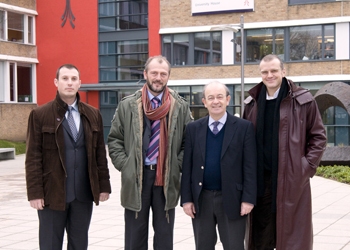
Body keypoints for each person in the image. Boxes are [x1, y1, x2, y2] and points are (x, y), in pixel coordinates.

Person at [107, 55, 193, 250]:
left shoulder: (180, 106)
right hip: (137, 177)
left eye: (163, 74)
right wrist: (127, 166)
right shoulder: (127, 105)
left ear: (168, 77)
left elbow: (189, 143)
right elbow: (114, 140)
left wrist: (176, 166)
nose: (158, 78)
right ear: (145, 74)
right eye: (154, 73)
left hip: (166, 178)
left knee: (164, 238)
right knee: (134, 237)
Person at [243, 54, 327, 250]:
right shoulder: (252, 103)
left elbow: (318, 136)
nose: (269, 75)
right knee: (261, 235)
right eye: (265, 72)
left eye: (274, 70)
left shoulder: (303, 100)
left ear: (283, 71)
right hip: (260, 181)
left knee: (290, 236)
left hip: (291, 179)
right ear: (260, 74)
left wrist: (305, 168)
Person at [25, 64, 111, 250]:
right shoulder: (40, 115)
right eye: (65, 78)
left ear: (80, 83)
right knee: (50, 244)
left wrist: (103, 186)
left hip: (83, 195)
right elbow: (32, 157)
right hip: (52, 195)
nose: (69, 83)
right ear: (56, 82)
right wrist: (35, 193)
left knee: (79, 244)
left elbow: (99, 155)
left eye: (74, 79)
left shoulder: (93, 114)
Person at [181, 81, 257, 250]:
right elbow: (188, 167)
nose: (216, 101)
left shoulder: (244, 128)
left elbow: (250, 167)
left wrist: (248, 199)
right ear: (204, 102)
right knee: (203, 246)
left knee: (234, 246)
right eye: (211, 97)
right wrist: (186, 199)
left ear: (228, 100)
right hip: (202, 200)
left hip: (233, 199)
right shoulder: (193, 129)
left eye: (220, 97)